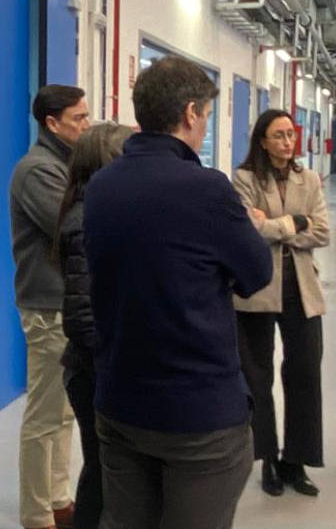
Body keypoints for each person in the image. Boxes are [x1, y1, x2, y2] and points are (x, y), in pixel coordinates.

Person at [84, 56, 273, 529]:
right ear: (190, 113)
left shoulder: (102, 185)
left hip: (120, 400)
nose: (205, 124)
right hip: (196, 413)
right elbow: (256, 274)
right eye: (206, 115)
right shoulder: (207, 189)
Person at [232, 110, 331, 498]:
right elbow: (248, 230)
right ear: (262, 141)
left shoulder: (309, 179)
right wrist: (296, 222)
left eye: (291, 134)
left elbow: (322, 232)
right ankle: (268, 459)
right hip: (256, 288)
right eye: (279, 135)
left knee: (305, 373)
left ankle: (297, 460)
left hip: (301, 288)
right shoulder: (244, 179)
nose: (288, 142)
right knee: (258, 377)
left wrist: (275, 227)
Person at [9, 85, 92, 529]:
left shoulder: (67, 165)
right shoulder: (38, 170)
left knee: (63, 412)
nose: (86, 125)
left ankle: (59, 499)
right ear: (52, 123)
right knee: (44, 415)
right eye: (79, 118)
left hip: (66, 304)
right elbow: (70, 228)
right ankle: (37, 513)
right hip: (47, 306)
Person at [57, 122, 137, 529]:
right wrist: (114, 365)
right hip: (93, 370)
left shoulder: (100, 212)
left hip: (100, 366)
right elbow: (82, 318)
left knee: (108, 468)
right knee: (103, 470)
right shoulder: (85, 220)